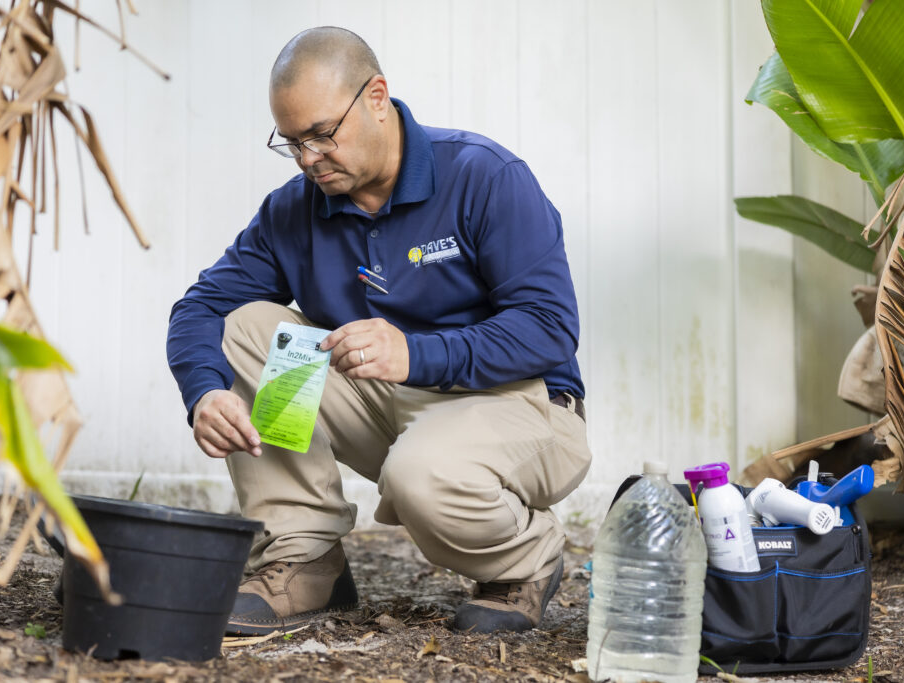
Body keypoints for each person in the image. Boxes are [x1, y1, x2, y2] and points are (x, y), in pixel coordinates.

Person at [166, 26, 591, 635]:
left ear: (377, 97)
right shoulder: (293, 210)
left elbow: (549, 329)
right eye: (291, 143)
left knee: (420, 474)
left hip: (524, 404)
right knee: (248, 327)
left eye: (321, 134)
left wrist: (416, 354)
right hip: (390, 399)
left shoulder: (485, 176)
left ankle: (524, 559)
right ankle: (304, 556)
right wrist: (204, 392)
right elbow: (199, 309)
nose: (309, 158)